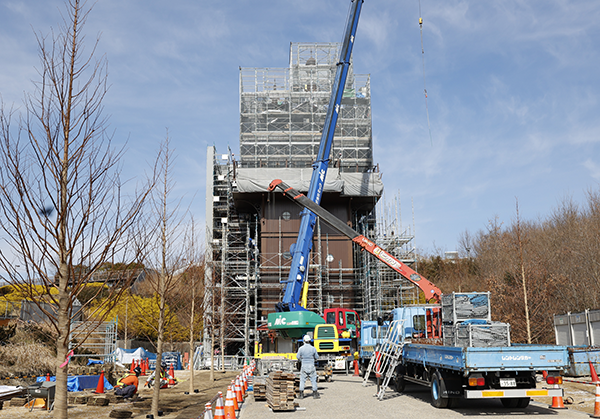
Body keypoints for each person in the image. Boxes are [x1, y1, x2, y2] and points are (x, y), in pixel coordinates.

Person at [296, 334, 320, 399]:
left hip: (304, 366)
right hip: (311, 366)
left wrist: (302, 360)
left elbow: (298, 357)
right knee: (313, 380)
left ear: (303, 340)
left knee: (302, 380)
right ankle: (315, 394)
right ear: (310, 341)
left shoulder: (301, 348)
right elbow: (317, 357)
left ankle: (301, 395)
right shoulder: (313, 348)